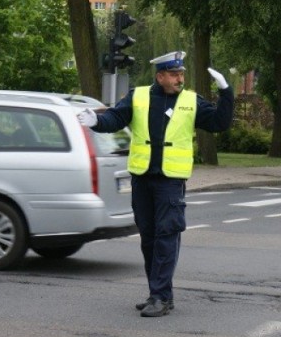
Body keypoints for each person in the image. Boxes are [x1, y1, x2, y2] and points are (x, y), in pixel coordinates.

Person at [77, 51, 234, 317]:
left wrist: (226, 92)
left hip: (170, 182)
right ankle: (159, 294)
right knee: (149, 239)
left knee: (166, 236)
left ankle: (160, 296)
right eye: (174, 75)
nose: (179, 79)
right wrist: (97, 121)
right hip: (142, 178)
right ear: (160, 76)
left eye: (181, 74)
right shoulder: (138, 97)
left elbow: (220, 122)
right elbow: (115, 118)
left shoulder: (190, 101)